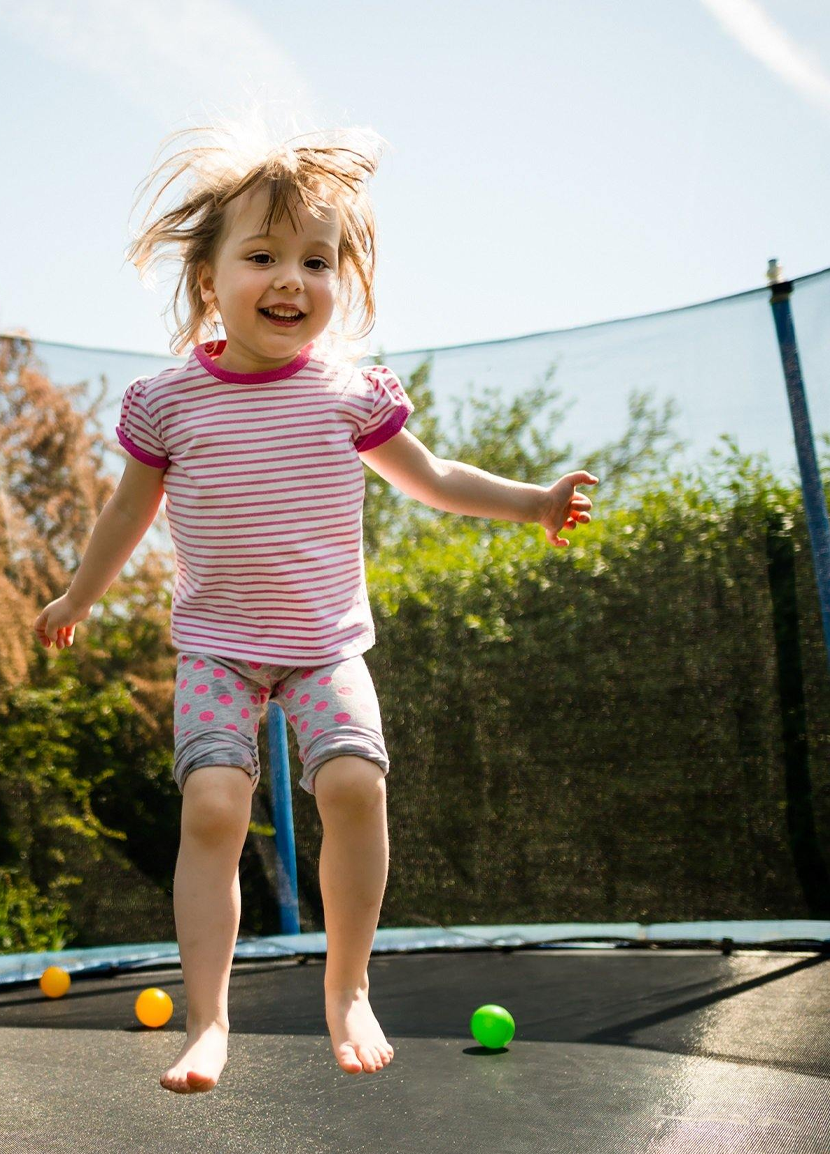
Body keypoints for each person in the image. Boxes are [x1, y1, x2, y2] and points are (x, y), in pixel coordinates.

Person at [33, 120, 597, 1093]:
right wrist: (79, 591)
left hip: (324, 646)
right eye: (260, 256)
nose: (290, 278)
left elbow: (431, 477)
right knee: (212, 803)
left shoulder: (348, 393)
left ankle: (347, 985)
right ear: (209, 277)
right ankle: (208, 1019)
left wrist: (530, 501)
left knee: (353, 787)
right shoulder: (168, 401)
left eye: (315, 259)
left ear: (342, 276)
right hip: (216, 647)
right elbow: (130, 508)